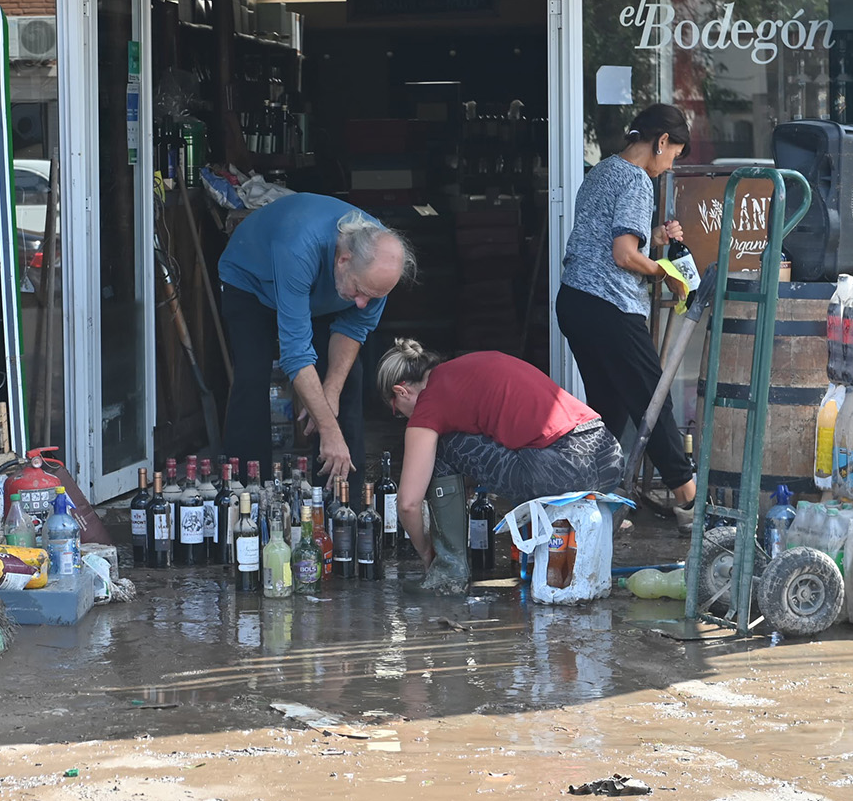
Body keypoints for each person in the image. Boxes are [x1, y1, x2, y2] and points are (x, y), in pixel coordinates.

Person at [377, 340, 624, 594]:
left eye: (397, 411)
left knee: (440, 447)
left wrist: (427, 550)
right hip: (609, 458)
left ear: (401, 391)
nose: (403, 417)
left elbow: (408, 504)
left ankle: (446, 575)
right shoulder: (470, 368)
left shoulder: (430, 402)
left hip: (560, 467)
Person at [554, 103, 697, 521]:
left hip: (576, 303)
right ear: (661, 141)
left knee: (609, 410)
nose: (668, 166)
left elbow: (611, 239)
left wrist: (652, 239)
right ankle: (689, 501)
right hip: (611, 306)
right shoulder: (636, 179)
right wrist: (666, 273)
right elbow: (622, 255)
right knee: (652, 401)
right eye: (672, 156)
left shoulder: (601, 171)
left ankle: (588, 502)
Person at [216, 193, 413, 482]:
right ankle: (246, 490)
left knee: (347, 383)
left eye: (372, 297)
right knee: (252, 376)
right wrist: (329, 431)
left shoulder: (378, 268)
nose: (362, 303)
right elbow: (295, 354)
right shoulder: (299, 246)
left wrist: (329, 392)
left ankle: (343, 500)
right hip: (251, 281)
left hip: (322, 292)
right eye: (360, 292)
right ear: (344, 259)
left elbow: (353, 330)